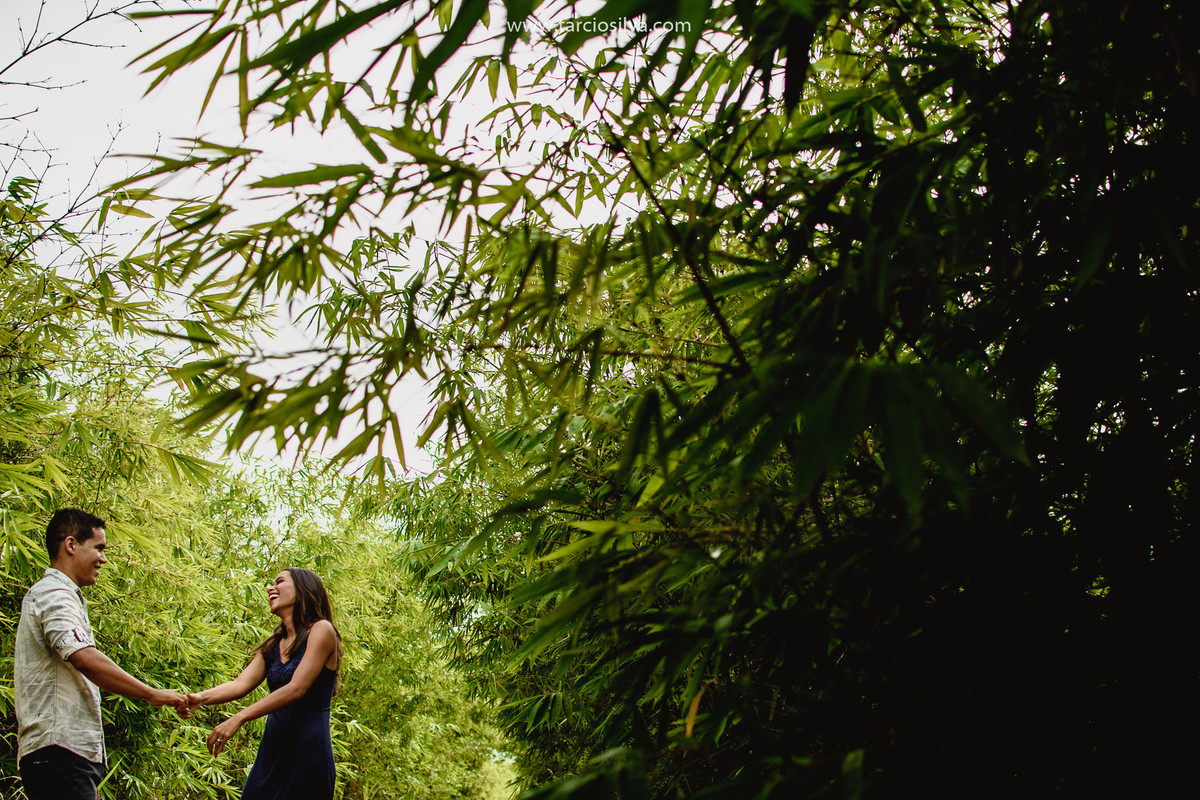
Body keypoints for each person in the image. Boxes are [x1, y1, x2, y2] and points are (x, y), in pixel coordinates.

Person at [14, 508, 190, 800]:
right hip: (59, 752)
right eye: (98, 548)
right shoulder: (54, 594)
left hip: (64, 755)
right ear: (71, 545)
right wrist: (150, 693)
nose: (103, 558)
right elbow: (83, 657)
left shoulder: (60, 595)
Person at [185, 567, 342, 800]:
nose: (270, 588)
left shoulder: (322, 630)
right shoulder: (273, 644)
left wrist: (239, 718)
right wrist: (200, 698)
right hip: (272, 753)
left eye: (279, 582)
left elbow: (297, 688)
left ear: (303, 589)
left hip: (308, 754)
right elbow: (240, 684)